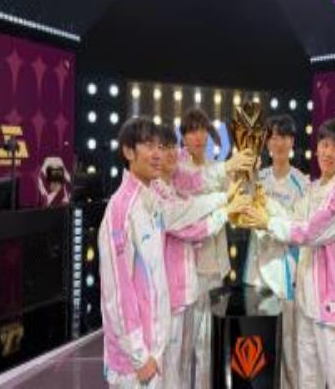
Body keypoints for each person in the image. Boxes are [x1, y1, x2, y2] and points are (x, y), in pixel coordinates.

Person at [242, 118, 335, 389]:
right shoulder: (314, 188)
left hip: (331, 304)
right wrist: (264, 205)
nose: (328, 153)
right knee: (308, 377)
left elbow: (308, 232)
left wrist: (267, 222)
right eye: (324, 145)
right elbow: (293, 217)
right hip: (307, 299)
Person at [151, 124, 248, 387]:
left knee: (198, 349)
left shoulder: (176, 184)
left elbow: (199, 188)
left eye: (171, 147)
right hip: (170, 291)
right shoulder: (158, 191)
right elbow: (191, 226)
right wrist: (225, 206)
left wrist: (232, 178)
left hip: (190, 284)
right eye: (162, 147)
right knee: (173, 361)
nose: (169, 153)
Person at [174, 106, 254, 388]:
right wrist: (228, 171)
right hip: (186, 269)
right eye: (191, 131)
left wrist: (247, 169)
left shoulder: (216, 167)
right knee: (182, 346)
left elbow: (239, 197)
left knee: (207, 344)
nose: (198, 137)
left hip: (215, 266)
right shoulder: (177, 169)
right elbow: (194, 198)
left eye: (202, 131)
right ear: (183, 137)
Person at [97, 117, 169, 388]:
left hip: (154, 351)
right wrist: (139, 356)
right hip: (135, 364)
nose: (157, 153)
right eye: (148, 145)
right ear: (128, 151)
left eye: (160, 146)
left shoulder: (152, 200)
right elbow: (117, 291)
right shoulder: (120, 210)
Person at [243, 114, 309, 389]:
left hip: (284, 276)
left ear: (292, 141)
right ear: (267, 142)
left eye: (283, 137)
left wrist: (268, 221)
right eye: (273, 137)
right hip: (256, 274)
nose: (278, 143)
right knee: (257, 344)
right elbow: (243, 214)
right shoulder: (257, 178)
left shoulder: (302, 183)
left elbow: (299, 228)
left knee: (289, 347)